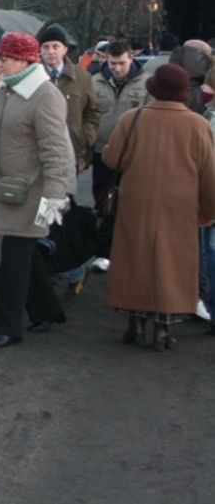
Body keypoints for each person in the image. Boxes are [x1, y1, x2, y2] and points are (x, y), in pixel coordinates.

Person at [103, 63, 215, 350]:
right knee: (171, 263)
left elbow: (113, 159)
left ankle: (135, 322)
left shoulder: (132, 118)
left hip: (136, 201)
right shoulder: (198, 124)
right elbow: (209, 175)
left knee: (135, 259)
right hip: (180, 205)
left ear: (153, 89)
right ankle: (164, 328)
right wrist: (208, 210)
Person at [0, 32, 71, 348]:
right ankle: (47, 311)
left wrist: (56, 194)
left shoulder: (45, 95)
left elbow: (55, 150)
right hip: (8, 189)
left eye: (5, 58)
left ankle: (8, 328)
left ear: (23, 60)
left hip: (30, 192)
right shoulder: (7, 88)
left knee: (14, 262)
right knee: (25, 256)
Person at [36, 24, 101, 297]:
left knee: (60, 215)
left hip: (70, 158)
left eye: (55, 46)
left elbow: (93, 113)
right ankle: (52, 266)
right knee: (42, 216)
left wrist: (83, 145)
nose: (51, 52)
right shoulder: (35, 76)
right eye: (46, 47)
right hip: (39, 158)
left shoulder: (82, 78)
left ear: (65, 49)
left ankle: (70, 268)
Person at [91, 40, 148, 270]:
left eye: (121, 63)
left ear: (131, 59)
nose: (116, 68)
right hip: (102, 152)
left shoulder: (145, 83)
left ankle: (128, 251)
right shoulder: (95, 82)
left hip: (133, 155)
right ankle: (105, 252)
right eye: (112, 63)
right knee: (104, 203)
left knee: (131, 204)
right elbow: (89, 116)